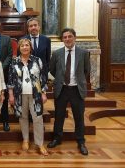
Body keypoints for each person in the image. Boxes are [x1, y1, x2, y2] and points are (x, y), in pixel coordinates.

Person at [47, 28, 90, 156]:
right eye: (65, 37)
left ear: (75, 37)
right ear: (62, 39)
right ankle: (57, 138)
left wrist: (78, 81)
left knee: (79, 117)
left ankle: (81, 141)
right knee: (59, 116)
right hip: (62, 89)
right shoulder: (57, 53)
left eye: (69, 36)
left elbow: (86, 71)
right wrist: (61, 80)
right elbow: (52, 70)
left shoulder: (83, 53)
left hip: (77, 89)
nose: (67, 39)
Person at [8, 39, 48, 156]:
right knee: (23, 117)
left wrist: (44, 92)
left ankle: (40, 143)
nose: (25, 47)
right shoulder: (14, 61)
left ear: (30, 47)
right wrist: (11, 95)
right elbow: (10, 80)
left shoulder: (37, 60)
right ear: (19, 48)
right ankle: (25, 139)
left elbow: (43, 78)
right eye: (22, 46)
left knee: (38, 118)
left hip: (35, 94)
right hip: (19, 94)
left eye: (27, 45)